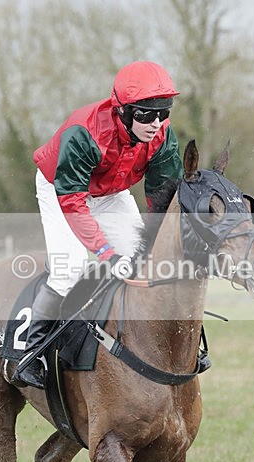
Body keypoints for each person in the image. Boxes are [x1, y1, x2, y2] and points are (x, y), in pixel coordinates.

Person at [12, 61, 183, 389]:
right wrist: (106, 253)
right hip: (61, 188)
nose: (157, 123)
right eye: (146, 115)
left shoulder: (161, 135)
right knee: (70, 267)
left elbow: (162, 199)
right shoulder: (85, 131)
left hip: (109, 192)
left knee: (144, 261)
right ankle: (29, 353)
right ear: (122, 111)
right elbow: (73, 203)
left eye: (164, 112)